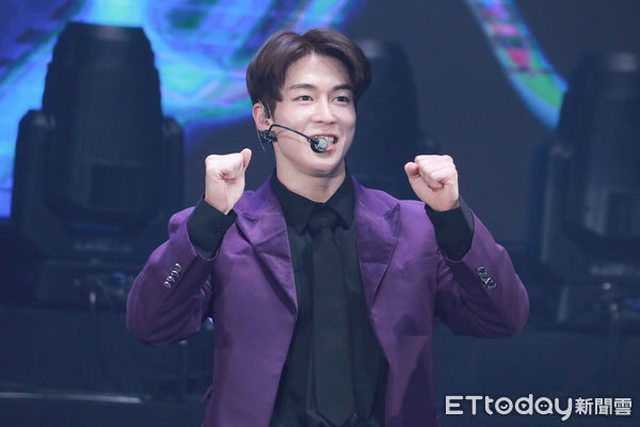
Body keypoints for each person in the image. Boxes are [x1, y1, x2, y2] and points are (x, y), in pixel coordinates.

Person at [126, 28, 529, 427]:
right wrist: (210, 216)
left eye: (341, 98)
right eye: (305, 97)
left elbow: (502, 317)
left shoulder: (416, 228)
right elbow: (151, 324)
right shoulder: (224, 230)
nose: (328, 115)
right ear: (265, 118)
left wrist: (452, 216)